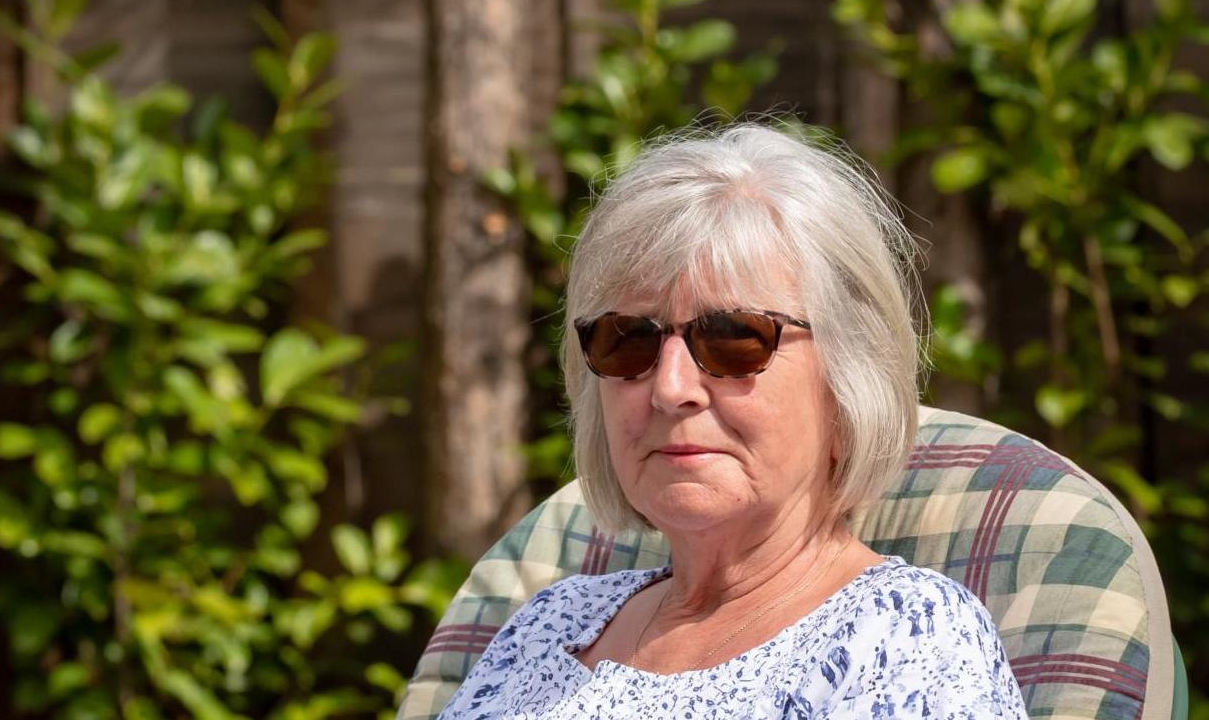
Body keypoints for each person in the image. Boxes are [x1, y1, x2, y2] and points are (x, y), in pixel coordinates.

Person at [438, 122, 1027, 718]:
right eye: (628, 341)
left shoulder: (906, 639)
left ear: (848, 378)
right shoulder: (550, 625)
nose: (670, 389)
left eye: (734, 338)